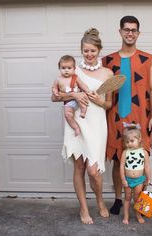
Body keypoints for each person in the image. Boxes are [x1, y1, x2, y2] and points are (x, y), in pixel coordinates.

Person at [51, 28, 113, 224]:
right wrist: (74, 95)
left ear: (99, 50)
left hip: (96, 122)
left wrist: (99, 100)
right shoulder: (72, 70)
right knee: (79, 166)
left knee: (93, 171)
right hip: (76, 122)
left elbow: (109, 104)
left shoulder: (107, 73)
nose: (89, 54)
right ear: (81, 51)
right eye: (85, 51)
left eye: (93, 51)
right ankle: (83, 209)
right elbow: (54, 96)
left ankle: (100, 201)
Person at [102, 15, 152, 215]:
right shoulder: (107, 60)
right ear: (120, 32)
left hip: (141, 115)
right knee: (118, 158)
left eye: (133, 30)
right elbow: (100, 89)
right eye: (126, 29)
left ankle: (139, 201)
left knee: (140, 157)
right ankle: (118, 199)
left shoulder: (148, 59)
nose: (130, 33)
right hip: (115, 116)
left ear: (138, 33)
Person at [120, 123, 151, 224]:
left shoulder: (144, 152)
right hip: (128, 180)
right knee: (127, 198)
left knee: (138, 199)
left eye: (132, 141)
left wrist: (148, 178)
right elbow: (121, 167)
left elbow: (146, 167)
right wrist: (123, 179)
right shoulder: (125, 152)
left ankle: (138, 215)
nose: (129, 144)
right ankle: (126, 216)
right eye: (127, 142)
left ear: (139, 139)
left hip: (139, 180)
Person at [52, 55, 90, 136]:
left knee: (83, 100)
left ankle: (83, 110)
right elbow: (54, 88)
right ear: (59, 68)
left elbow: (82, 85)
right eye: (63, 68)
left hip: (78, 99)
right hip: (68, 101)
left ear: (74, 69)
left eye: (69, 68)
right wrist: (55, 92)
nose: (66, 70)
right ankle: (76, 128)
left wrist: (88, 91)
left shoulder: (75, 78)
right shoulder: (58, 79)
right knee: (68, 115)